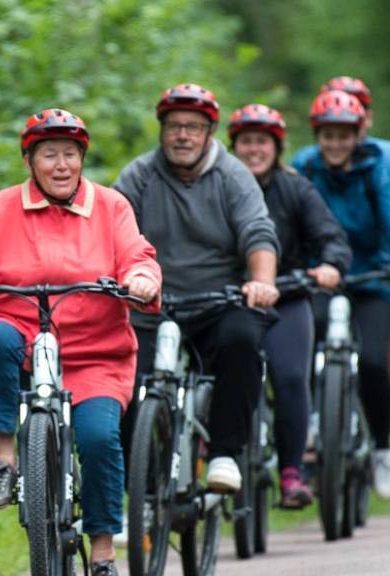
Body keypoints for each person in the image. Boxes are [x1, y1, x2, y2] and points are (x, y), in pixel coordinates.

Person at [0, 109, 161, 576]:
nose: (60, 164)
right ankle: (6, 461)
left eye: (70, 154)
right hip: (22, 332)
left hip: (96, 351)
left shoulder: (112, 206)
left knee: (99, 440)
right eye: (49, 154)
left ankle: (101, 556)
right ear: (29, 159)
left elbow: (137, 255)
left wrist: (141, 280)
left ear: (82, 159)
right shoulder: (1, 208)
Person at [114, 83, 280, 495]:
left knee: (243, 341)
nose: (183, 135)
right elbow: (111, 233)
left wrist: (261, 282)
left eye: (193, 127)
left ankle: (224, 453)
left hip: (217, 302)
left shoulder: (233, 176)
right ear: (161, 131)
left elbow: (258, 233)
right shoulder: (138, 176)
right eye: (174, 127)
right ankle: (139, 483)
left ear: (210, 133)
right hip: (149, 304)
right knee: (122, 380)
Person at [294, 90, 390, 499]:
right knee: (303, 343)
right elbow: (286, 216)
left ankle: (382, 448)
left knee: (373, 362)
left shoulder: (375, 171)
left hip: (371, 277)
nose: (336, 144)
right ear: (317, 136)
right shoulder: (304, 169)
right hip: (320, 278)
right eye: (328, 135)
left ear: (358, 136)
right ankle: (314, 420)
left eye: (344, 136)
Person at [227, 103, 352, 509]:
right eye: (246, 141)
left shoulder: (296, 188)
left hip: (289, 297)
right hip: (229, 298)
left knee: (291, 377)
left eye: (262, 141)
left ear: (276, 147)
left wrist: (330, 266)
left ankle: (292, 471)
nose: (254, 150)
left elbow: (330, 235)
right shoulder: (219, 184)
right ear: (234, 146)